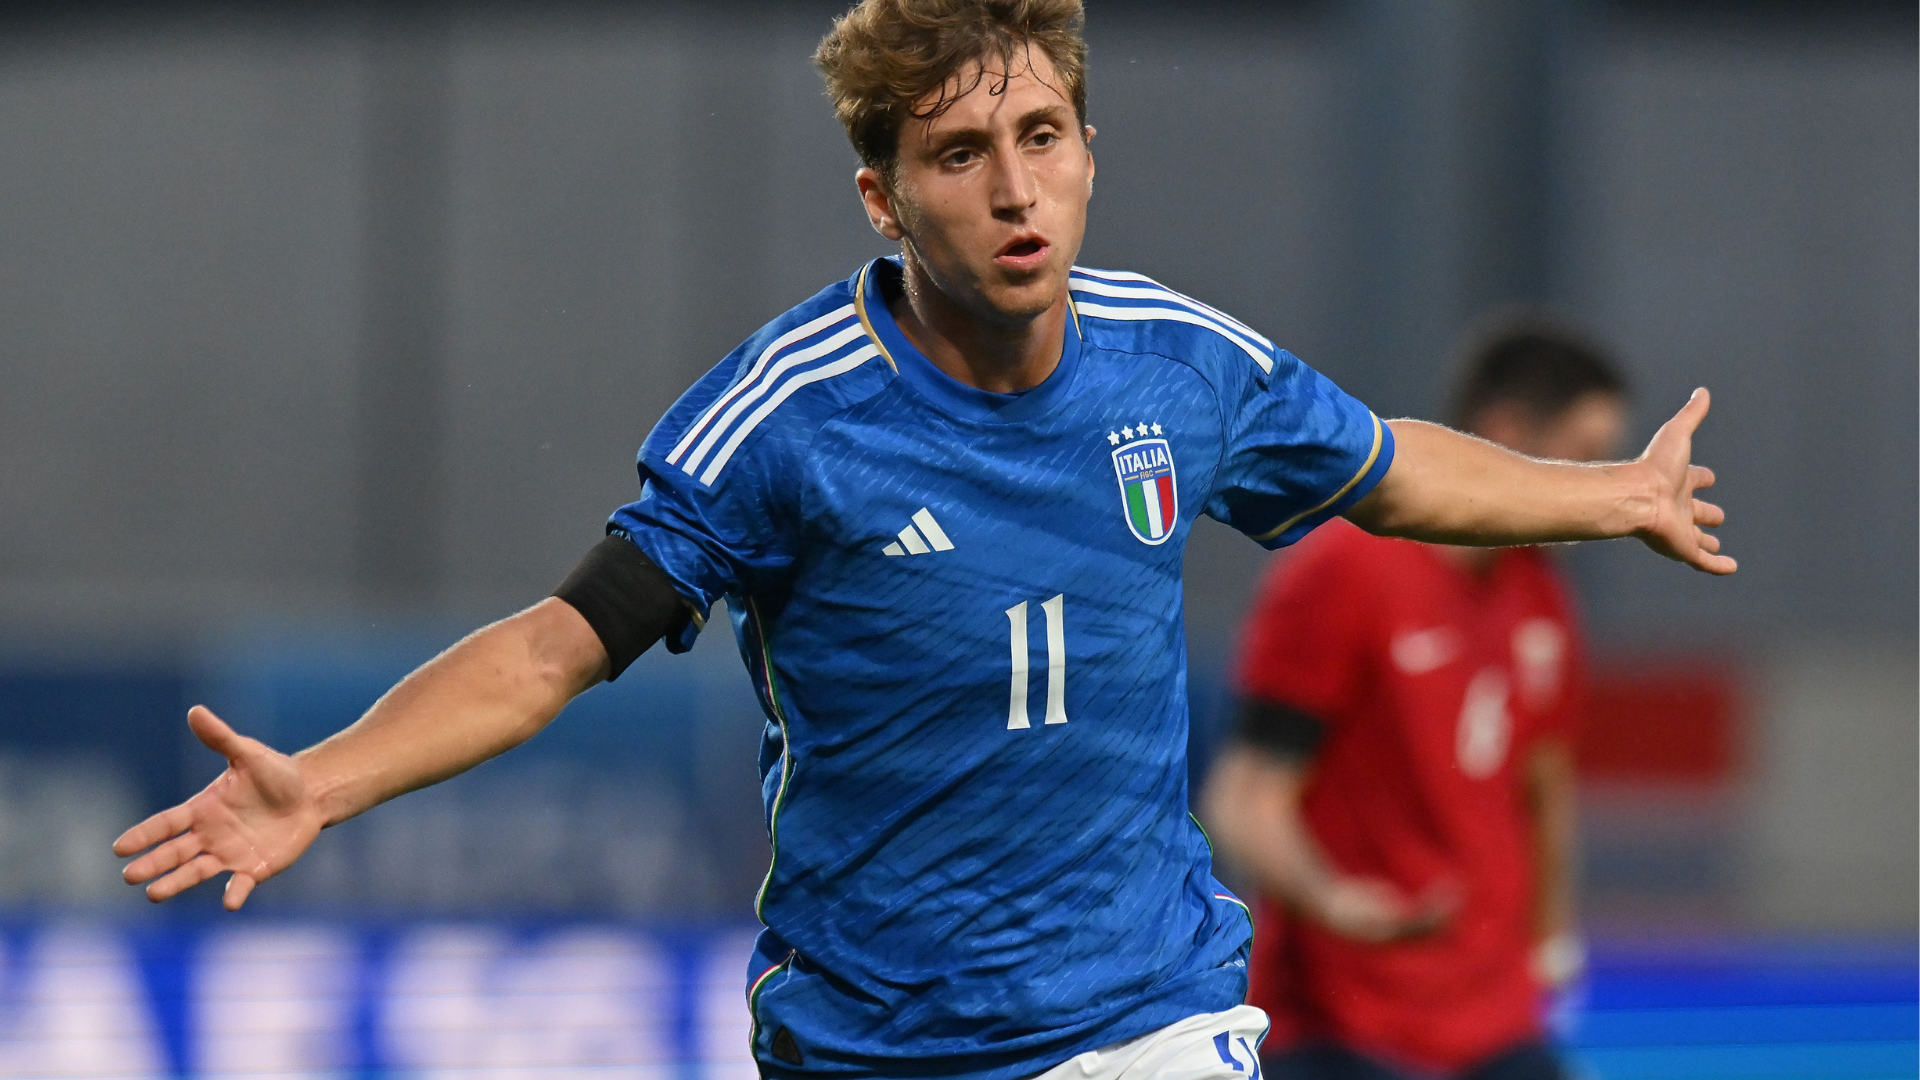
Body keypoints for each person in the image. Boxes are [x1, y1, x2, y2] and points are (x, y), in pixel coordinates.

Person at [112, 4, 1732, 1079]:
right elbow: (552, 649)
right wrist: (323, 779)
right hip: (876, 1037)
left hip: (1144, 1018)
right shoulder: (789, 417)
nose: (1016, 189)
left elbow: (1392, 468)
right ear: (884, 200)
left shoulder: (1179, 364)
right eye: (962, 156)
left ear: (1091, 152)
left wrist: (1614, 499)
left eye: (1043, 137)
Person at [1199, 314, 1630, 1080]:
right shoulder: (1344, 574)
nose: (1593, 486)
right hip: (1345, 1022)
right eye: (1586, 457)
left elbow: (1545, 790)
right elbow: (1246, 797)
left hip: (1493, 1023)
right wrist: (1333, 902)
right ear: (1504, 432)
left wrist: (1553, 946)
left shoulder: (1542, 593)